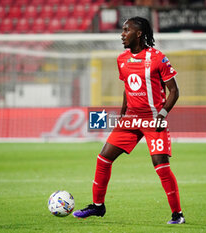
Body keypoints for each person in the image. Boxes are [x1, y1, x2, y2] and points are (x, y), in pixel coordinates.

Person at [73, 16, 185, 225]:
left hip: (153, 119)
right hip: (131, 119)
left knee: (160, 165)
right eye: (122, 30)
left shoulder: (158, 58)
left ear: (139, 34)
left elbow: (174, 91)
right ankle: (98, 206)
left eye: (126, 30)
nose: (122, 34)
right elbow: (128, 86)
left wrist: (162, 115)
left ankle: (177, 214)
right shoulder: (122, 59)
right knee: (103, 158)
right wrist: (123, 110)